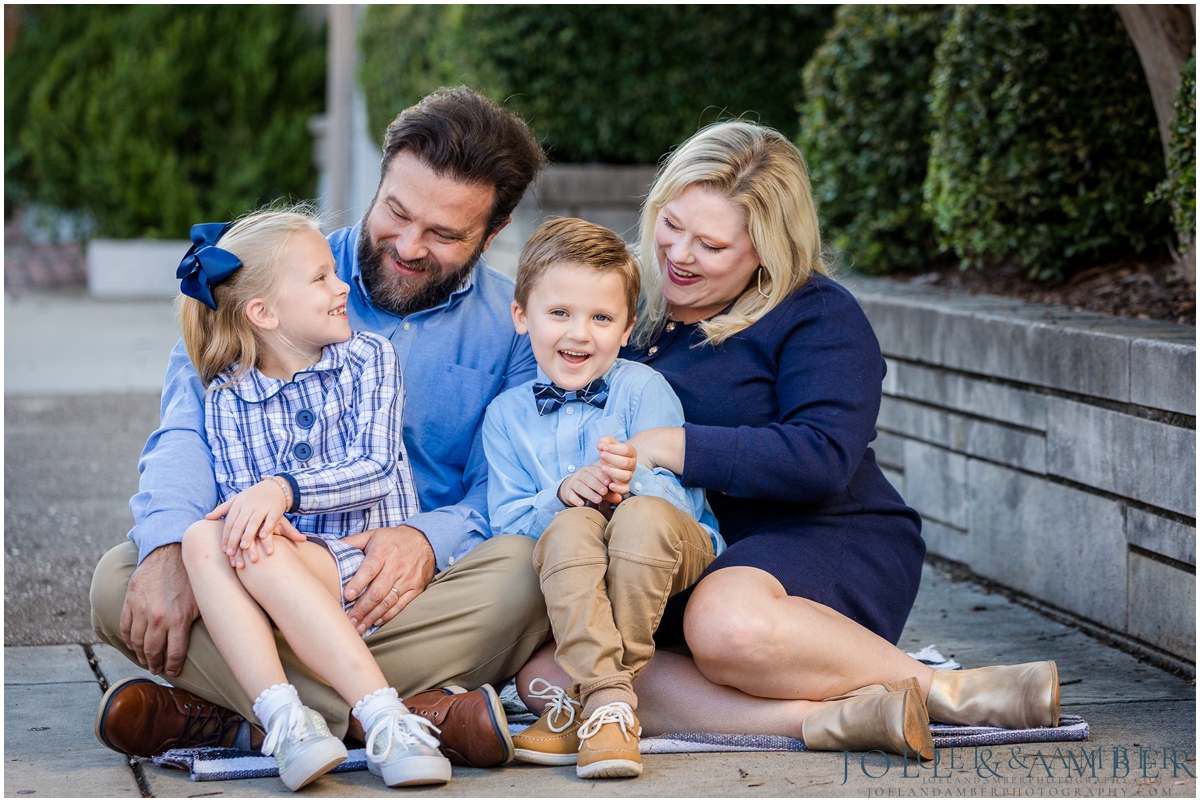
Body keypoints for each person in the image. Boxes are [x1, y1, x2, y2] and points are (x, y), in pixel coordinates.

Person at [516, 121, 1059, 756]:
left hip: (821, 536)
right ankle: (834, 719)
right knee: (550, 674)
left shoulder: (816, 314)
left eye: (711, 245)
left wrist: (672, 446)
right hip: (675, 553)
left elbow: (823, 457)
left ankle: (950, 693)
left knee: (725, 621)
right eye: (672, 223)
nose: (679, 255)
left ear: (766, 249)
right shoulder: (620, 304)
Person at [90, 87, 551, 767]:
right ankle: (400, 716)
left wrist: (427, 539)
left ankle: (239, 718)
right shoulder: (263, 275)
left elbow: (507, 487)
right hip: (256, 565)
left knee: (530, 574)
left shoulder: (519, 325)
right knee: (120, 578)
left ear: (496, 227)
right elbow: (185, 432)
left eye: (445, 234)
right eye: (396, 212)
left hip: (407, 594)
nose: (408, 246)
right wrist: (168, 549)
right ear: (380, 179)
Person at [174, 209, 452, 790]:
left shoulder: (369, 358)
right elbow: (244, 519)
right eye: (321, 278)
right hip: (283, 569)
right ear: (263, 313)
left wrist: (283, 491)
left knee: (244, 542)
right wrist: (263, 516)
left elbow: (376, 467)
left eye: (335, 273)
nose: (342, 287)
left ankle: (384, 718)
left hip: (366, 566)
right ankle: (289, 722)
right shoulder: (228, 398)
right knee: (204, 536)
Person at [482, 218, 724, 779]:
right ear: (521, 316)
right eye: (559, 313)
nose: (580, 334)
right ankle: (609, 706)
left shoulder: (644, 388)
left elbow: (681, 504)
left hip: (671, 549)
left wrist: (629, 480)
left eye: (601, 318)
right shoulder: (505, 417)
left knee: (639, 517)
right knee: (568, 526)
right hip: (576, 568)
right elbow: (507, 526)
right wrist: (560, 495)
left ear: (626, 327)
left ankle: (595, 699)